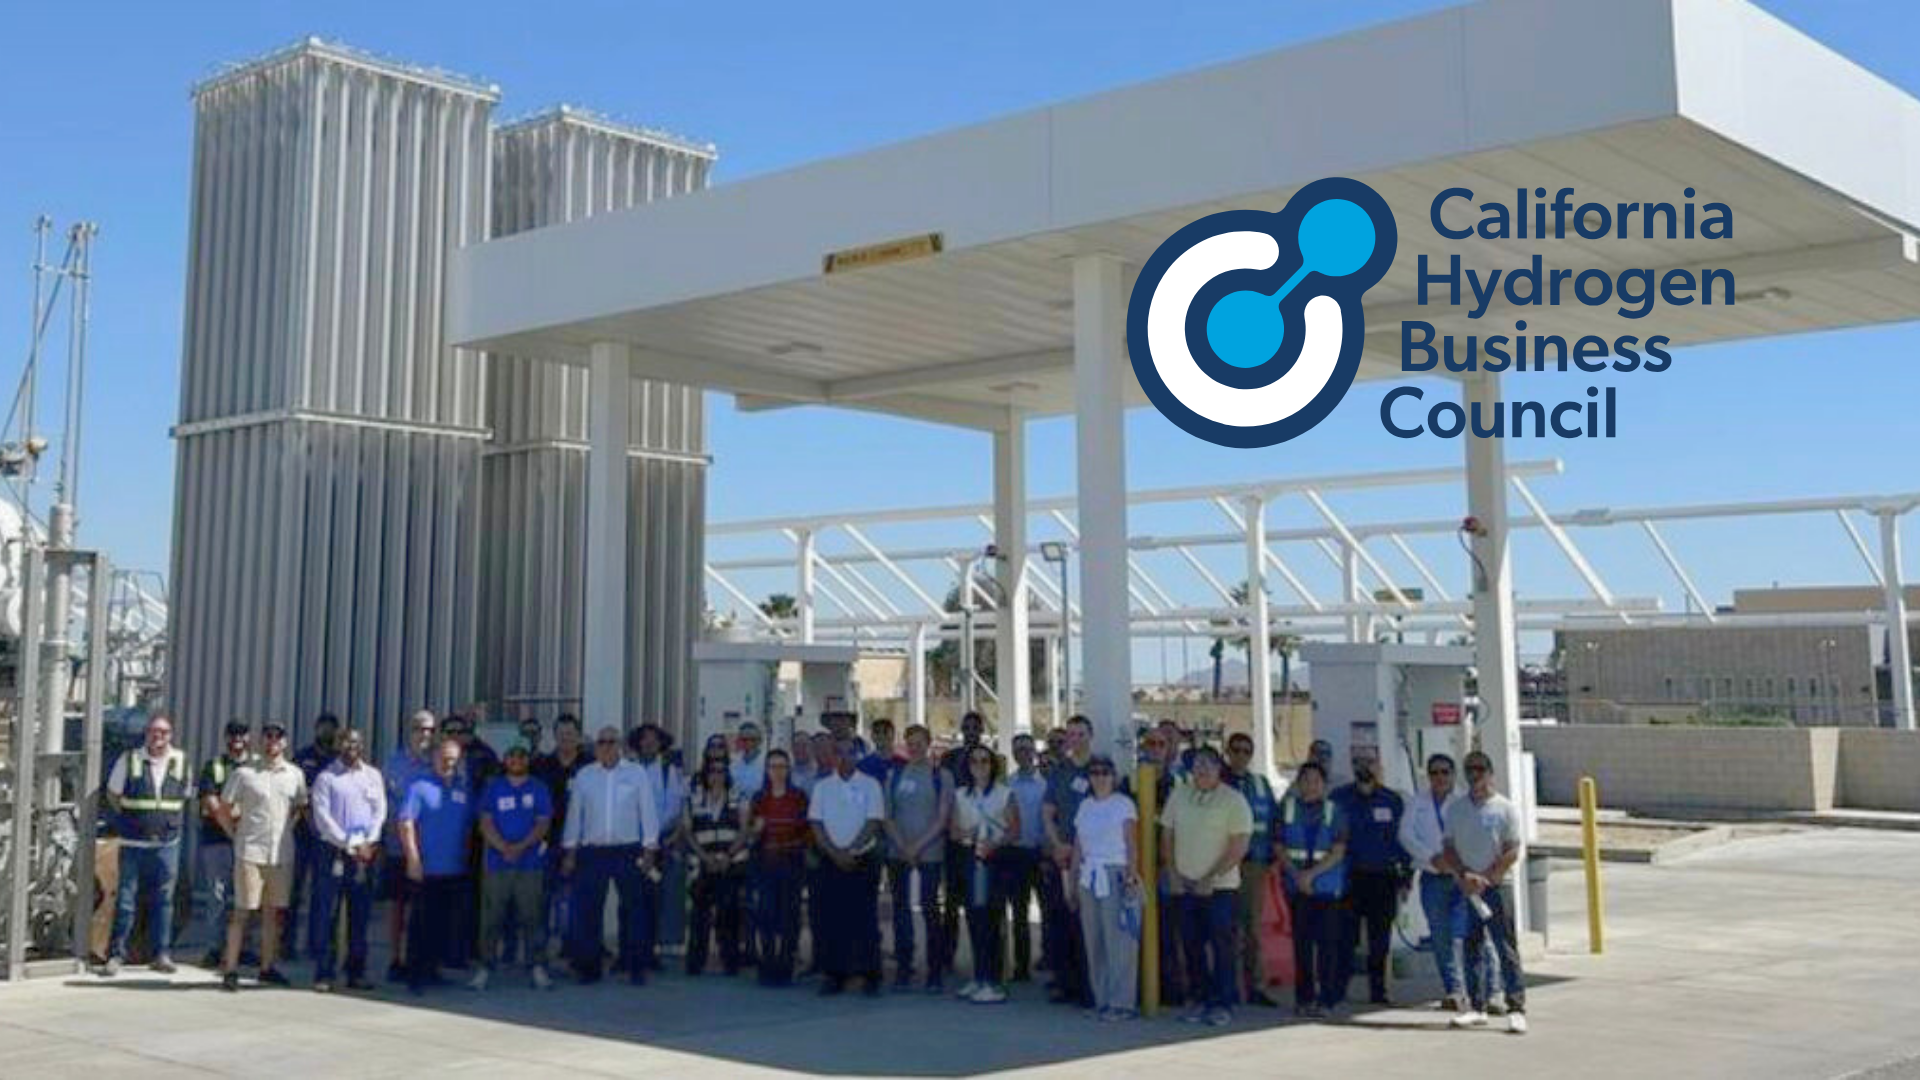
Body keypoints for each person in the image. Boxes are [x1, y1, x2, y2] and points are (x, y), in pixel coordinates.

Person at [1160, 746, 1252, 1027]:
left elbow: (1239, 847)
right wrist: (1173, 873)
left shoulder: (1234, 800)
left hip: (1220, 887)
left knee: (1222, 947)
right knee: (1191, 945)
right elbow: (1167, 835)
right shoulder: (1180, 794)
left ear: (1219, 769)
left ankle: (1223, 1003)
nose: (1201, 770)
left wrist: (1210, 877)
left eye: (1207, 765)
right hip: (1185, 886)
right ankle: (1199, 999)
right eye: (1197, 765)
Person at [563, 725, 662, 985]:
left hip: (627, 850)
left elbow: (648, 811)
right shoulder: (585, 775)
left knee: (634, 911)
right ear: (596, 746)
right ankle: (588, 967)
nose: (606, 747)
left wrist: (650, 848)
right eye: (602, 742)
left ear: (620, 745)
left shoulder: (636, 773)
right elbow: (575, 815)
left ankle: (635, 966)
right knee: (588, 911)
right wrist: (570, 851)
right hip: (592, 852)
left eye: (611, 741)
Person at [219, 721, 309, 991]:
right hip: (250, 851)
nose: (273, 742)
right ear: (261, 742)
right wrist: (233, 834)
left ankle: (266, 967)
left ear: (285, 743)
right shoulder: (245, 774)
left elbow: (300, 806)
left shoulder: (295, 774)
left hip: (281, 854)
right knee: (242, 912)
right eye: (268, 737)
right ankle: (231, 969)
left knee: (273, 913)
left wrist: (288, 829)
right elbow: (224, 807)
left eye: (278, 737)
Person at [1447, 750, 1529, 1035]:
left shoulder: (1504, 808)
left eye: (1480, 770)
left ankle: (1516, 1007)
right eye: (1470, 770)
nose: (1475, 775)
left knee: (1505, 946)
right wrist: (1464, 875)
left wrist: (1489, 877)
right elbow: (1448, 847)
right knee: (1471, 946)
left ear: (1490, 773)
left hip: (1496, 887)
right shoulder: (1456, 809)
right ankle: (1476, 1007)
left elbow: (1512, 849)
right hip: (1468, 888)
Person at [101, 712, 190, 976]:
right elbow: (113, 795)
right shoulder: (129, 760)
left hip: (167, 844)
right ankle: (116, 954)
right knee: (126, 901)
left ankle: (161, 954)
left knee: (164, 901)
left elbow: (183, 796)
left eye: (163, 732)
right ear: (146, 734)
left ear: (170, 736)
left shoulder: (181, 761)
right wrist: (131, 822)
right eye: (153, 731)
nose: (158, 736)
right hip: (133, 844)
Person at [308, 727, 385, 992]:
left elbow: (380, 810)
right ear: (338, 745)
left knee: (360, 914)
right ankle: (324, 973)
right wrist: (349, 843)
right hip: (333, 852)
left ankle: (356, 971)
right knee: (327, 912)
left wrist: (369, 841)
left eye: (355, 742)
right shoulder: (326, 778)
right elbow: (322, 818)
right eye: (345, 741)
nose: (351, 746)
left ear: (362, 745)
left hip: (365, 854)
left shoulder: (373, 776)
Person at [807, 735, 885, 996]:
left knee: (864, 919)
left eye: (849, 752)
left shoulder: (871, 785)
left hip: (862, 860)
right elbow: (816, 823)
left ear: (857, 755)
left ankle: (869, 973)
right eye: (839, 753)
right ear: (832, 756)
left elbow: (874, 821)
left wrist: (851, 850)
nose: (844, 757)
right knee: (833, 919)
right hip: (831, 860)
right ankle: (834, 974)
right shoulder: (822, 787)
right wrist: (834, 852)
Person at [1332, 744, 1408, 1006]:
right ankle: (1337, 989)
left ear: (1379, 765)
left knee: (1380, 940)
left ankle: (1378, 991)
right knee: (1345, 938)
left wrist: (1406, 876)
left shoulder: (1392, 800)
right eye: (1359, 762)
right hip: (1349, 878)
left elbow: (1401, 840)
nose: (1365, 766)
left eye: (1370, 761)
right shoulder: (1339, 798)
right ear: (1353, 766)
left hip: (1383, 878)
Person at [473, 742, 553, 990]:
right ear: (505, 760)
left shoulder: (538, 788)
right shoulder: (493, 787)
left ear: (527, 760)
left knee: (532, 916)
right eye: (511, 756)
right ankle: (485, 967)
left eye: (521, 756)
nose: (516, 760)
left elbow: (543, 823)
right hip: (497, 863)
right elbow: (485, 823)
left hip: (530, 864)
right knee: (491, 917)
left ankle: (536, 966)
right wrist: (503, 847)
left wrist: (520, 847)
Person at [398, 736, 474, 994]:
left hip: (453, 867)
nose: (448, 763)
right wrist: (413, 859)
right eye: (444, 758)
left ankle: (433, 970)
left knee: (443, 924)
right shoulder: (419, 786)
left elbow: (469, 825)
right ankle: (415, 975)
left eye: (453, 759)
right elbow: (406, 824)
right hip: (426, 868)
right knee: (420, 923)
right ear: (434, 758)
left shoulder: (463, 788)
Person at [1071, 753, 1140, 1021]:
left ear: (1113, 777)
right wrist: (1073, 881)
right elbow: (1078, 845)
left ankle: (1122, 1003)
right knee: (1095, 940)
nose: (1099, 777)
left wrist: (1131, 877)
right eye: (1094, 772)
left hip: (1115, 873)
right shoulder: (1085, 805)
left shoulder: (1123, 804)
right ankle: (1103, 999)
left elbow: (1131, 843)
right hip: (1089, 875)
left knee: (1119, 942)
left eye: (1104, 772)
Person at [883, 724, 951, 992]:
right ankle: (903, 966)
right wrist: (902, 846)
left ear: (928, 743)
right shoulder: (895, 775)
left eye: (919, 742)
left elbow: (942, 816)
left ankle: (934, 970)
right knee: (901, 911)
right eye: (910, 742)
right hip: (898, 853)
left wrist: (918, 846)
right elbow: (887, 815)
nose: (914, 747)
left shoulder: (940, 775)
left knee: (930, 909)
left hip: (930, 853)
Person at [1277, 760, 1347, 1018]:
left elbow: (1338, 851)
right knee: (1302, 946)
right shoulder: (1288, 808)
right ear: (1298, 783)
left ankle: (1327, 1000)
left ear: (1324, 785)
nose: (1311, 785)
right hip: (1297, 888)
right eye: (1305, 780)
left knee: (1327, 946)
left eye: (1316, 780)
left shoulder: (1334, 811)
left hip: (1326, 888)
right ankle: (1304, 998)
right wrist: (1297, 875)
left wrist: (1310, 875)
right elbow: (1279, 846)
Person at [1399, 752, 1467, 1011]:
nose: (1440, 777)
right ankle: (1454, 989)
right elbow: (1406, 835)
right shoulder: (1418, 802)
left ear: (1453, 775)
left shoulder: (1463, 802)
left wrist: (1453, 861)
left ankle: (1477, 989)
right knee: (1440, 936)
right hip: (1432, 876)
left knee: (1462, 935)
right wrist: (1431, 857)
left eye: (1445, 772)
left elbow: (1471, 834)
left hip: (1461, 876)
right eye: (1434, 773)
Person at [952, 744, 1018, 1004]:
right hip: (970, 858)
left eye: (984, 761)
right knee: (973, 917)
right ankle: (978, 976)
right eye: (974, 762)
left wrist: (994, 843)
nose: (979, 766)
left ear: (993, 765)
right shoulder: (960, 795)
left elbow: (1014, 830)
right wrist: (971, 835)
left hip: (996, 859)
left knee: (992, 919)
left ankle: (992, 979)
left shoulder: (1004, 794)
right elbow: (954, 830)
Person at [1040, 714, 1096, 1006]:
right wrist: (1057, 844)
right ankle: (1065, 982)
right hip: (1062, 857)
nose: (1075, 739)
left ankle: (1090, 985)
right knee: (1061, 921)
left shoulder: (1100, 770)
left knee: (1088, 923)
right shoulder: (1059, 771)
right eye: (1070, 735)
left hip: (1090, 858)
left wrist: (1079, 848)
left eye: (1080, 734)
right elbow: (1048, 812)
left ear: (1090, 735)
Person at [1224, 732, 1280, 1007]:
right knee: (1227, 928)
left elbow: (1273, 820)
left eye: (1247, 750)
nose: (1241, 755)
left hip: (1254, 865)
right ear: (1228, 751)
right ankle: (1228, 986)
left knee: (1252, 928)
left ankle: (1255, 986)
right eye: (1236, 750)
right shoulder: (1218, 782)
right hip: (1223, 864)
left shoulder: (1260, 784)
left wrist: (1271, 857)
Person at [383, 710, 438, 981]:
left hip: (430, 849)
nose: (424, 734)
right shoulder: (394, 763)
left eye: (429, 729)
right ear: (410, 730)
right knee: (398, 906)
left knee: (425, 907)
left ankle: (422, 959)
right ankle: (396, 959)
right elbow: (385, 802)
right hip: (398, 846)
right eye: (419, 728)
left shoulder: (436, 763)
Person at [746, 748, 809, 986]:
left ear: (789, 769)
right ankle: (768, 964)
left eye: (782, 766)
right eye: (773, 766)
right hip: (765, 864)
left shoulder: (799, 797)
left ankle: (786, 964)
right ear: (766, 770)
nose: (778, 772)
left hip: (792, 863)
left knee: (790, 917)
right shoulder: (759, 798)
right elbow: (751, 834)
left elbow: (806, 831)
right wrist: (755, 830)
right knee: (767, 915)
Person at [193, 720, 251, 968]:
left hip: (250, 844)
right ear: (226, 738)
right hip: (217, 840)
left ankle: (243, 949)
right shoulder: (214, 766)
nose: (237, 739)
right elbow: (211, 804)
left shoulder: (257, 767)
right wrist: (232, 828)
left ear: (248, 737)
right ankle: (214, 949)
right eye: (232, 734)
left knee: (247, 898)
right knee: (217, 896)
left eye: (242, 734)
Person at [683, 759, 749, 975]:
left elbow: (744, 829)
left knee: (729, 914)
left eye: (721, 771)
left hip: (731, 865)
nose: (716, 775)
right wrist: (705, 858)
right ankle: (695, 963)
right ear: (705, 774)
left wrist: (727, 856)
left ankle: (731, 963)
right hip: (702, 866)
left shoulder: (739, 797)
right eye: (712, 771)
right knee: (699, 916)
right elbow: (687, 831)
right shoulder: (693, 799)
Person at [533, 713, 590, 953]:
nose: (565, 739)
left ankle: (575, 952)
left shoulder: (590, 766)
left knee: (578, 901)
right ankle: (540, 954)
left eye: (570, 734)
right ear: (554, 737)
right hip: (548, 842)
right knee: (543, 899)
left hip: (581, 844)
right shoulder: (541, 766)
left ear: (579, 737)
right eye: (561, 734)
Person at [632, 723, 687, 970]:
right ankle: (632, 950)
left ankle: (654, 950)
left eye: (654, 739)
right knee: (633, 898)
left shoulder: (669, 771)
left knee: (658, 898)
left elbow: (674, 809)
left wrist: (655, 837)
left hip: (661, 843)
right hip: (633, 843)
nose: (649, 743)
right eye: (644, 739)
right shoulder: (628, 770)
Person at [936, 711, 987, 972]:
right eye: (966, 727)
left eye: (975, 727)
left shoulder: (989, 758)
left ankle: (983, 961)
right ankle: (947, 958)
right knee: (951, 904)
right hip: (951, 840)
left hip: (978, 842)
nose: (970, 731)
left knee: (978, 903)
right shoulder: (949, 758)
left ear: (982, 730)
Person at [288, 712, 339, 962]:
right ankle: (286, 943)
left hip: (328, 838)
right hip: (301, 834)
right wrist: (309, 821)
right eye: (323, 727)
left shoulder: (339, 760)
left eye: (331, 728)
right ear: (316, 729)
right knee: (293, 890)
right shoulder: (303, 757)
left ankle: (317, 945)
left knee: (322, 892)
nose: (326, 732)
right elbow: (295, 795)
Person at [1004, 733, 1048, 983]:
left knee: (1047, 912)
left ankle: (1050, 959)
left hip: (1041, 854)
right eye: (1018, 749)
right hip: (1016, 854)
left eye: (1027, 748)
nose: (1023, 753)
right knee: (1019, 914)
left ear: (1034, 752)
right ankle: (1022, 966)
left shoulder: (1045, 785)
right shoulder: (1007, 785)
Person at [730, 721, 767, 798]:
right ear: (740, 741)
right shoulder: (733, 761)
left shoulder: (767, 761)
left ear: (760, 740)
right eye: (744, 739)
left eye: (753, 739)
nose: (749, 743)